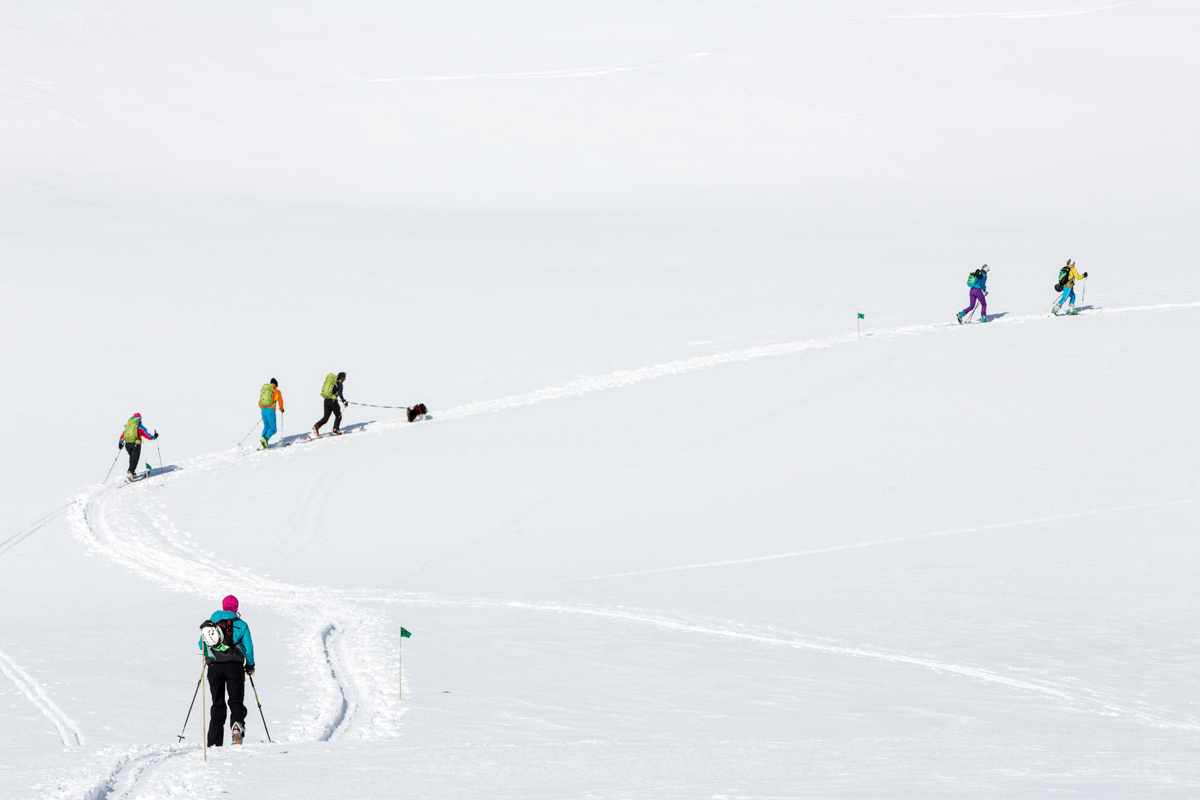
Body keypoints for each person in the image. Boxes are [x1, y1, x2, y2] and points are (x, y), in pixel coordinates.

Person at [199, 594, 256, 746]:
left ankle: (214, 742)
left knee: (217, 703)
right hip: (234, 667)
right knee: (236, 701)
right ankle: (237, 728)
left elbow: (201, 645)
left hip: (214, 667)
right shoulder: (241, 624)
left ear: (223, 606)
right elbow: (249, 647)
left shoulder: (212, 623)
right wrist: (250, 665)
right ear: (236, 608)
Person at [118, 413, 158, 482]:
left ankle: (133, 473)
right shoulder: (140, 426)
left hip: (127, 445)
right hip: (136, 445)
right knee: (135, 459)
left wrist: (120, 442)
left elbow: (123, 434)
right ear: (139, 419)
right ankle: (130, 473)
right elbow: (147, 435)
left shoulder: (129, 425)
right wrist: (154, 437)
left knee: (132, 458)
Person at [312, 372, 348, 437]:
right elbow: (340, 393)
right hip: (333, 401)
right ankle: (335, 429)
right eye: (344, 378)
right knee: (338, 415)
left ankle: (317, 426)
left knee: (326, 417)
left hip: (326, 400)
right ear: (342, 378)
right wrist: (344, 401)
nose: (344, 380)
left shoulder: (333, 383)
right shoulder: (339, 384)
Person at [258, 379, 285, 450]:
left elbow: (259, 403)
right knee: (273, 428)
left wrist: (264, 409)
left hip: (263, 410)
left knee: (266, 427)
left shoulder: (265, 390)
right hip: (271, 410)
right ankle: (265, 439)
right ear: (276, 385)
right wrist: (282, 409)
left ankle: (263, 444)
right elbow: (280, 402)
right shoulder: (277, 391)